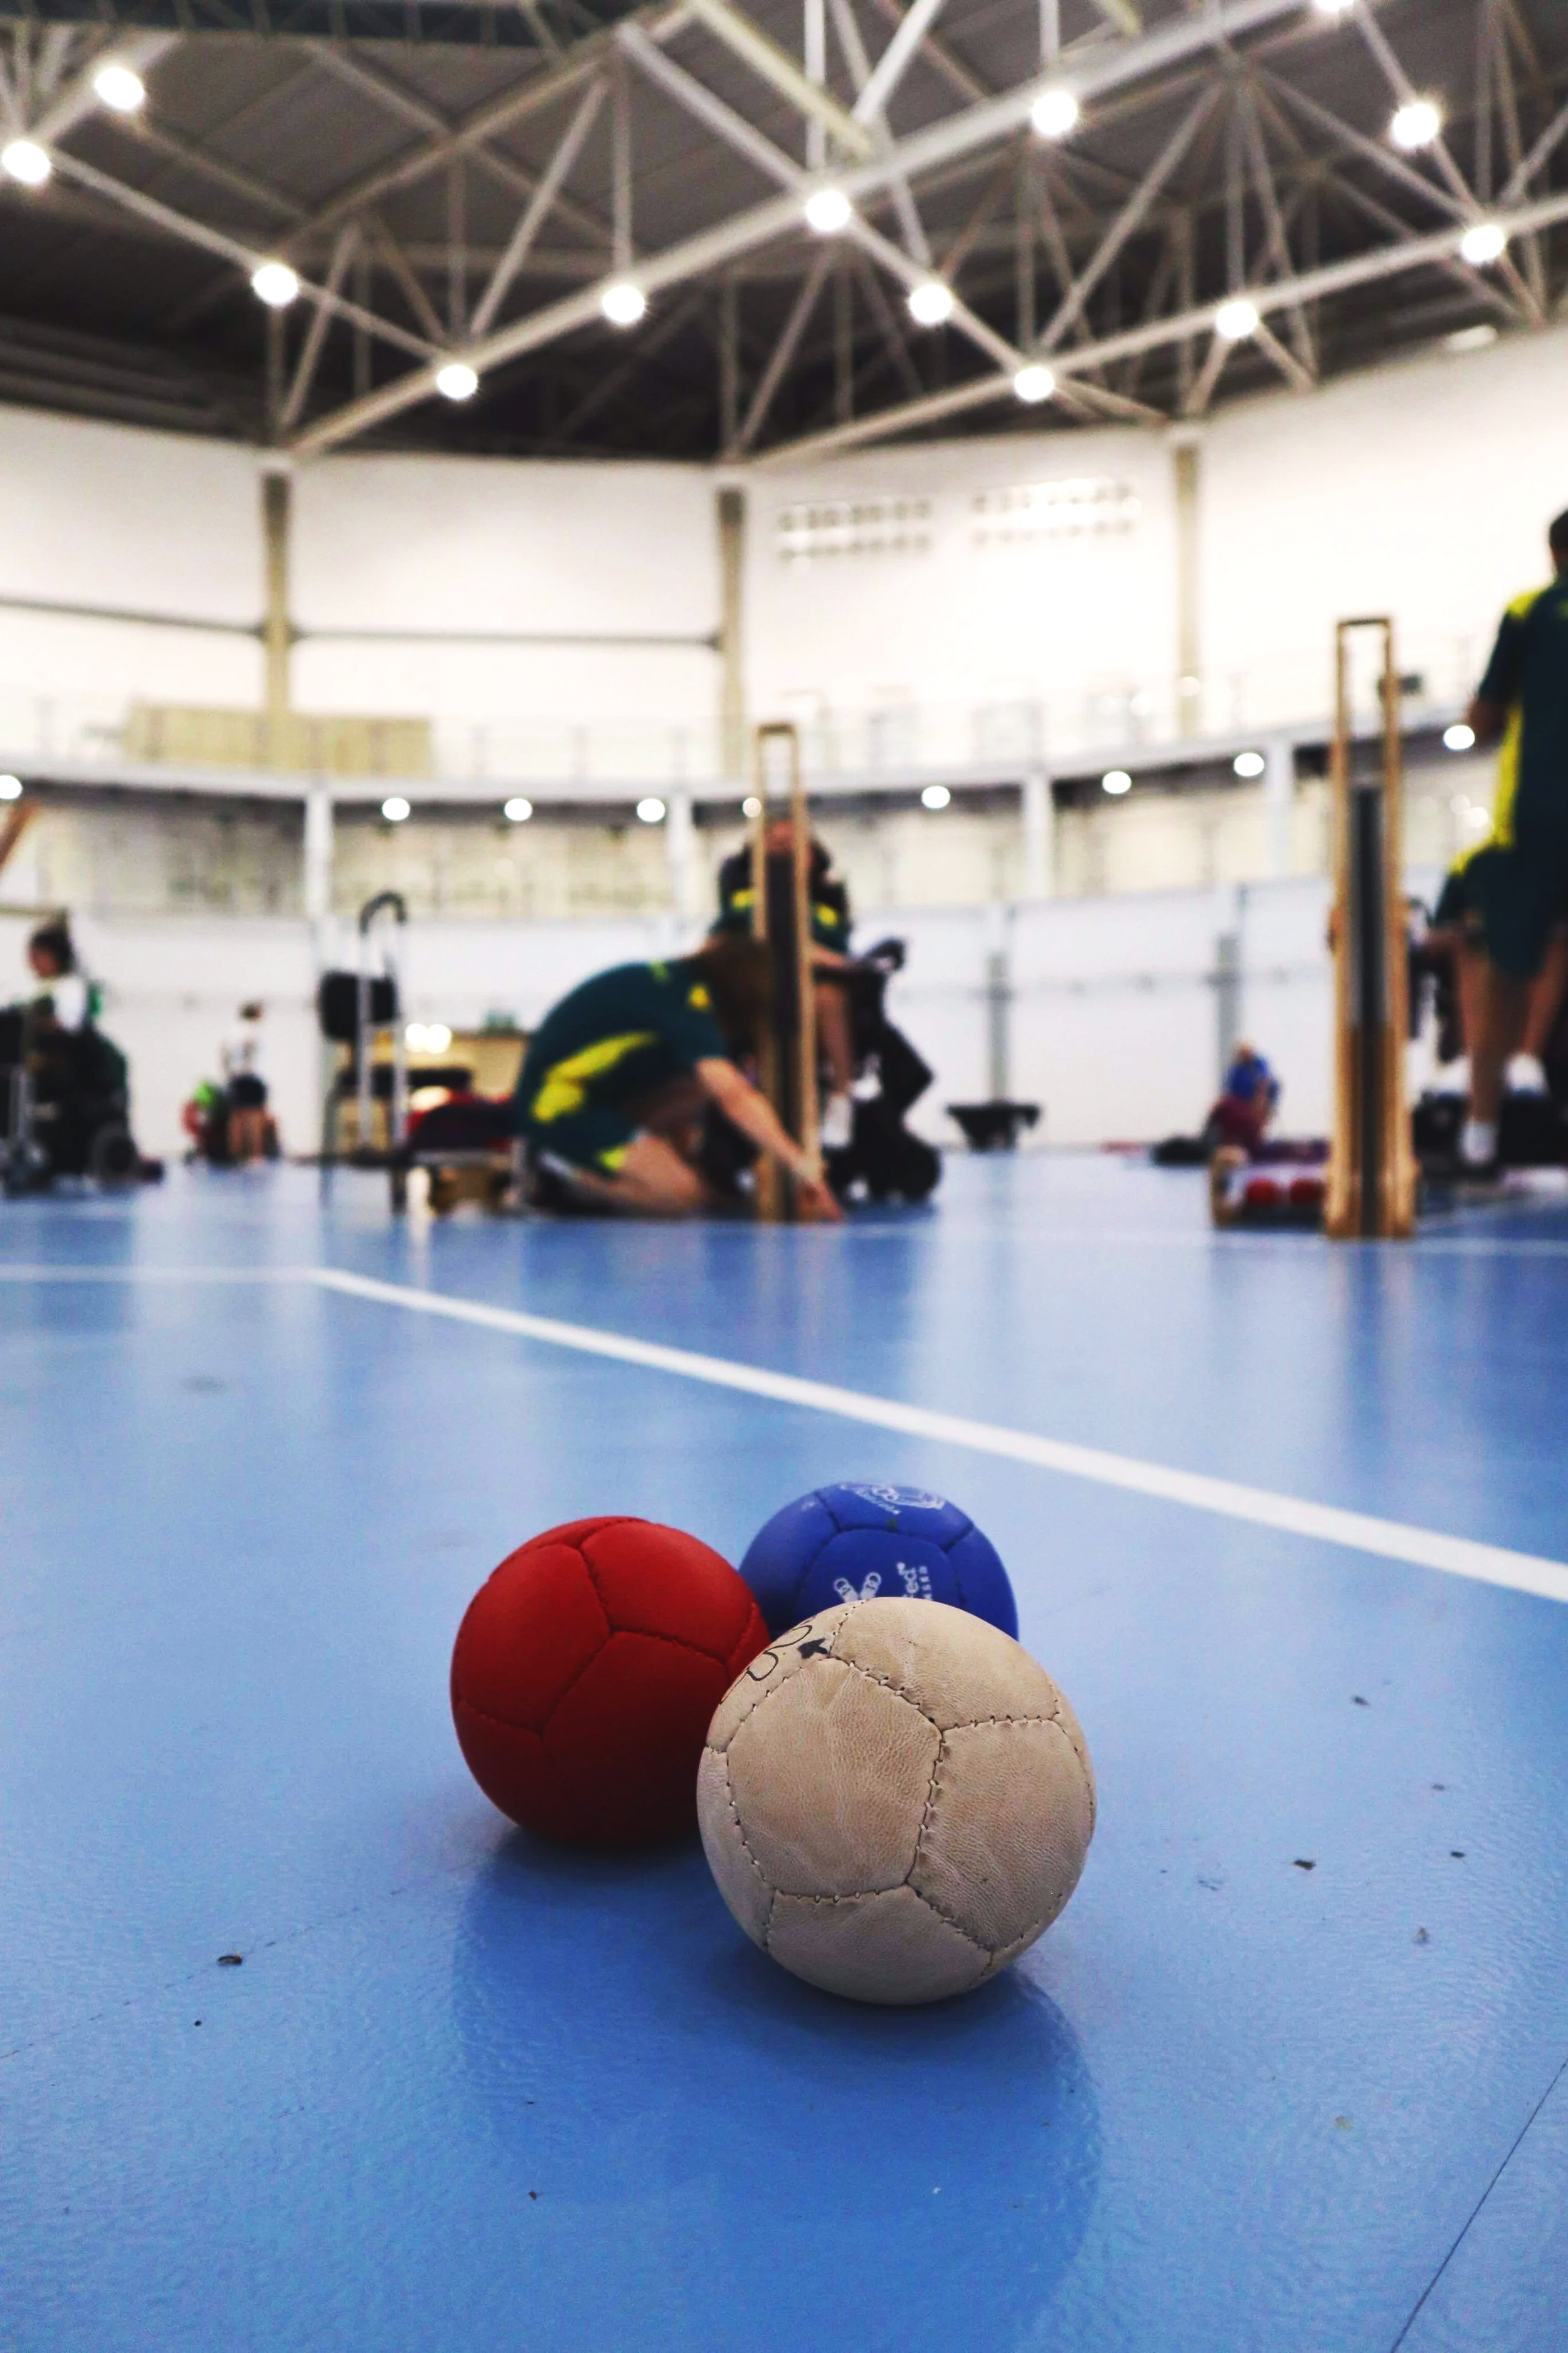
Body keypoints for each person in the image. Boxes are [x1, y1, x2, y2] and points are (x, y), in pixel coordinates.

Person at [514, 933, 840, 1219]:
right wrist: (802, 1166)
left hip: (595, 1096)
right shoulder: (688, 1003)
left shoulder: (673, 985)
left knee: (696, 1088)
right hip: (557, 1105)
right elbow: (736, 1096)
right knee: (682, 1196)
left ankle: (593, 1171)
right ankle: (551, 1169)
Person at [1456, 507, 1568, 1171]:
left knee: (1504, 976)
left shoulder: (1528, 612)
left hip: (1536, 817)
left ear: (1553, 554)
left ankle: (1479, 1135)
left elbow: (1484, 719)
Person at [714, 821, 857, 1149]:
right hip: (760, 993)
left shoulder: (824, 907)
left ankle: (841, 1096)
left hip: (813, 997)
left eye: (794, 845)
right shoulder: (745, 902)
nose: (785, 852)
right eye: (776, 846)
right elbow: (723, 941)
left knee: (827, 996)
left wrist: (814, 955)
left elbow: (839, 954)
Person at [1205, 1041, 1280, 1152]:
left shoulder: (1259, 1066)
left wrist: (1260, 1101)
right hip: (1239, 1102)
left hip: (1255, 1102)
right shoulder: (1236, 1069)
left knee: (1259, 1106)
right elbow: (1228, 1089)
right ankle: (1210, 1139)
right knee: (1219, 1108)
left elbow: (1264, 1084)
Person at [221, 1001, 271, 1164]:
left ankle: (235, 1155)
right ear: (255, 1014)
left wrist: (229, 1072)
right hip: (251, 1075)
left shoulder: (232, 1031)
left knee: (237, 1116)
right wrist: (248, 1065)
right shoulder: (252, 1029)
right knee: (255, 1117)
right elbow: (248, 1046)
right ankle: (255, 1156)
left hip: (235, 1076)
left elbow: (224, 1053)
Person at [26, 923, 90, 1034]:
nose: (33, 964)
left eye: (37, 957)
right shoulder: (43, 987)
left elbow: (67, 1027)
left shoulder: (70, 988)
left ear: (55, 956)